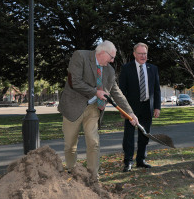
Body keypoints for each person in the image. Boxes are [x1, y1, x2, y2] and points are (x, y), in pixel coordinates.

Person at [58, 40, 138, 179]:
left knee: (93, 142)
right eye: (111, 57)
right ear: (102, 53)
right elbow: (75, 82)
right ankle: (72, 171)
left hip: (94, 108)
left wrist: (130, 112)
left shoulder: (109, 70)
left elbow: (116, 92)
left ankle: (93, 175)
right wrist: (96, 92)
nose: (113, 61)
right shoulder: (80, 56)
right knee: (70, 144)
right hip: (74, 106)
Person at [119, 42, 161, 172]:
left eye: (145, 54)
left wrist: (157, 107)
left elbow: (157, 89)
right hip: (131, 109)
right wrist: (123, 109)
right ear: (134, 54)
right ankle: (128, 162)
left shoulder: (153, 68)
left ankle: (141, 160)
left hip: (147, 107)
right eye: (140, 53)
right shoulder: (126, 68)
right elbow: (121, 91)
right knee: (129, 137)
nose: (143, 56)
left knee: (145, 135)